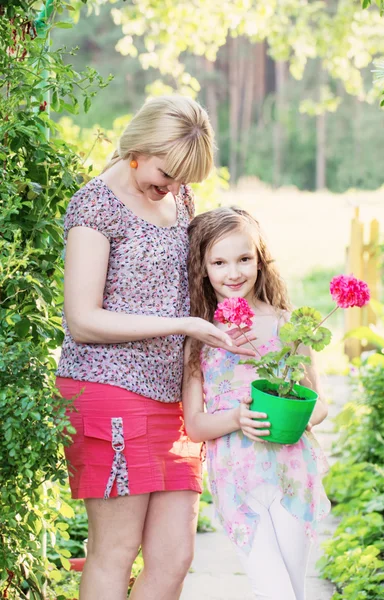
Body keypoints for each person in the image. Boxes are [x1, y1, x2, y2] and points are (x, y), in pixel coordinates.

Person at [55, 96, 255, 600]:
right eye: (166, 174)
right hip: (109, 388)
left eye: (182, 180)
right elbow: (82, 319)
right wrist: (183, 323)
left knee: (174, 557)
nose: (171, 188)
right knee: (115, 551)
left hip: (174, 400)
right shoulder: (94, 206)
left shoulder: (178, 197)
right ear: (138, 148)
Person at [183, 207, 331, 600]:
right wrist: (236, 417)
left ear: (260, 261)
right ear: (202, 268)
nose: (234, 273)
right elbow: (195, 425)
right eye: (219, 262)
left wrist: (297, 417)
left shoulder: (288, 325)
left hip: (292, 472)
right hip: (237, 478)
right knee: (273, 589)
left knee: (293, 590)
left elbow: (317, 402)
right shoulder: (199, 335)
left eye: (244, 259)